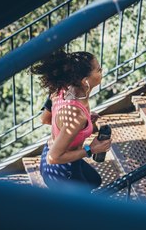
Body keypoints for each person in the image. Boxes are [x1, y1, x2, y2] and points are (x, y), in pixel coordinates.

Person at [31, 49, 112, 192]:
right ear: (85, 81)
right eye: (98, 70)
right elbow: (53, 158)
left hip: (51, 153)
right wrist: (91, 149)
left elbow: (45, 119)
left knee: (94, 181)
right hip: (61, 170)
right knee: (83, 203)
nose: (102, 71)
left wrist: (84, 122)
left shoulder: (61, 89)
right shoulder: (76, 116)